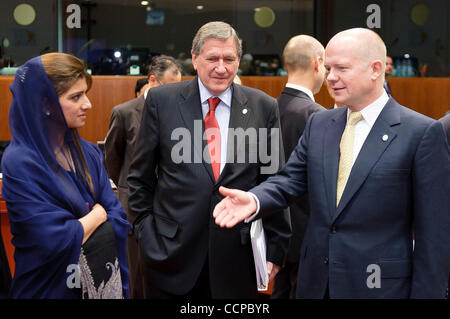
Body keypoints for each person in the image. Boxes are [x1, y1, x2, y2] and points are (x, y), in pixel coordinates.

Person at [213, 28, 450, 299]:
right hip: (316, 284)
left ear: (375, 69)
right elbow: (289, 180)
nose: (331, 77)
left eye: (342, 68)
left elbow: (435, 237)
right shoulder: (320, 123)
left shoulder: (421, 133)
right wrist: (254, 200)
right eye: (327, 68)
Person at [127, 21, 291, 299]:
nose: (221, 67)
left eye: (230, 59)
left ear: (239, 60)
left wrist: (276, 249)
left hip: (237, 260)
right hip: (169, 258)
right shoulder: (161, 101)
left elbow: (273, 179)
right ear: (194, 58)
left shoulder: (264, 106)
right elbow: (140, 178)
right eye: (212, 58)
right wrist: (147, 236)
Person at [1, 53, 131, 298]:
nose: (88, 104)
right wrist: (97, 213)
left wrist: (84, 225)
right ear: (45, 104)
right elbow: (52, 240)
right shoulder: (19, 163)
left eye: (85, 93)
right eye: (76, 97)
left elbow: (118, 217)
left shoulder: (89, 152)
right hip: (47, 289)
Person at [104, 54, 182, 298]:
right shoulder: (125, 112)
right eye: (170, 86)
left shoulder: (179, 114)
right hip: (134, 212)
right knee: (135, 280)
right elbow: (112, 162)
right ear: (152, 81)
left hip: (170, 212)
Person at [271, 35, 327, 299]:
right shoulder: (316, 114)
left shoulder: (267, 108)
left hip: (272, 225)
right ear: (318, 63)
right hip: (306, 232)